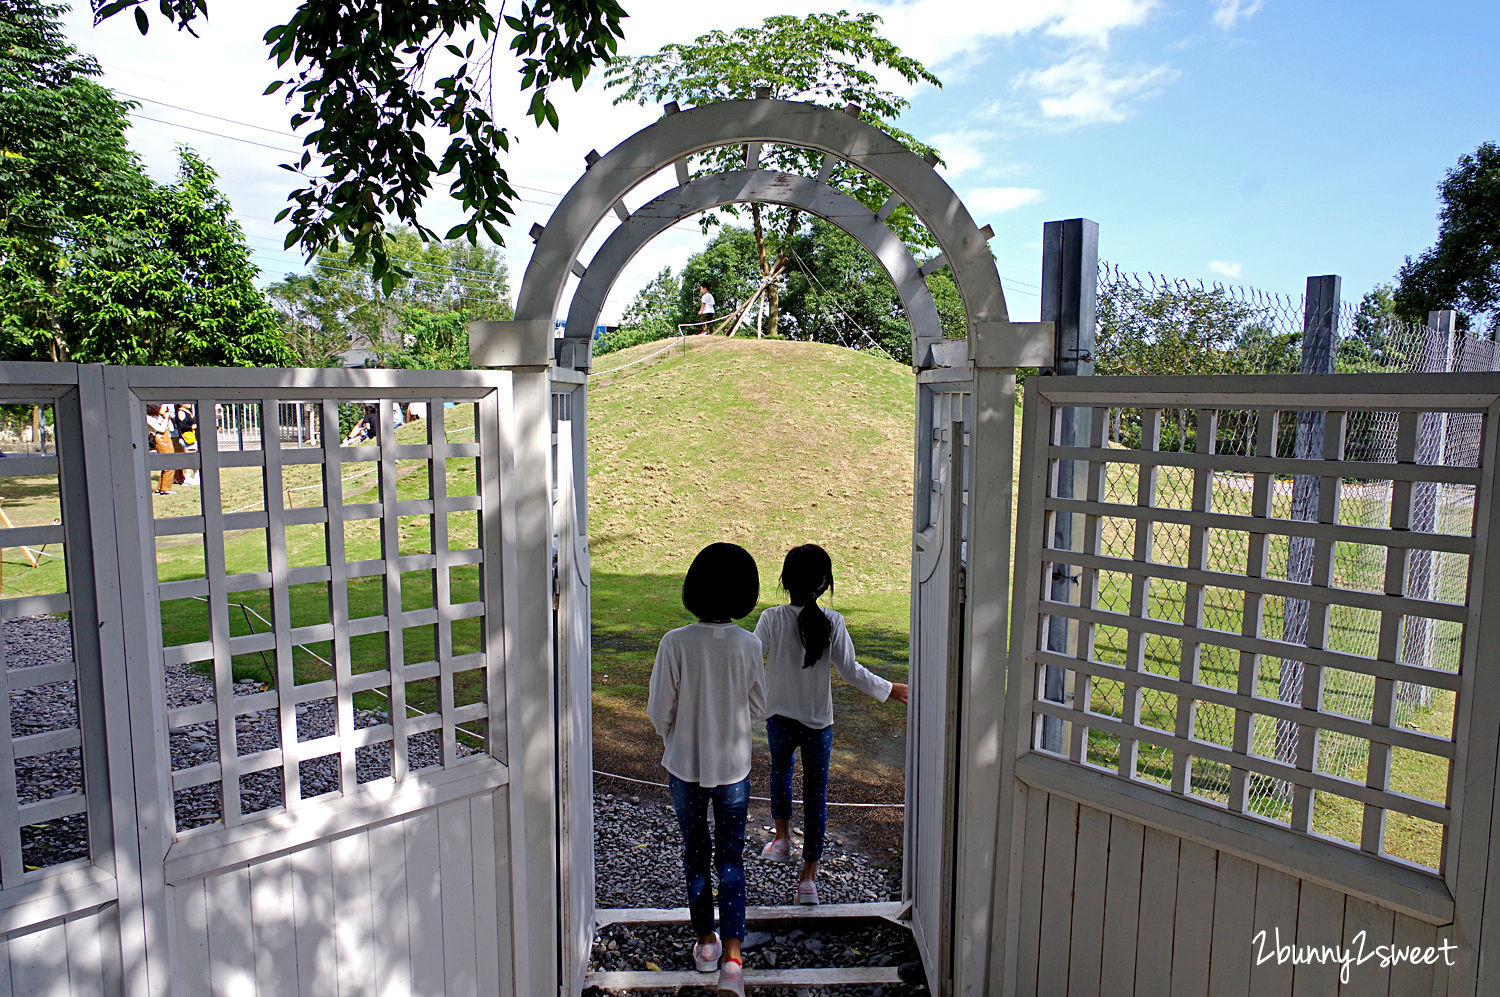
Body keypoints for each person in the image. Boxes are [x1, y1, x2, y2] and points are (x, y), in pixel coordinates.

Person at [754, 543, 909, 905]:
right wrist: (889, 689)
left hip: (777, 716)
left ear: (785, 580)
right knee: (816, 796)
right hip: (817, 724)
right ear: (824, 583)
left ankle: (781, 840)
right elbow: (851, 671)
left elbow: (748, 661)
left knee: (780, 773)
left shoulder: (771, 619)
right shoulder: (831, 622)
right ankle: (808, 878)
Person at [647, 542, 764, 997]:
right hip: (733, 767)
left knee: (695, 853)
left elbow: (660, 711)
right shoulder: (749, 644)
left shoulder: (674, 643)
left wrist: (677, 735)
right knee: (731, 857)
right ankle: (734, 961)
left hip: (685, 765)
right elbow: (759, 705)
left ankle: (705, 942)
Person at [145, 404, 175, 495]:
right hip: (160, 439)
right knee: (169, 463)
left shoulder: (159, 417)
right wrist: (165, 418)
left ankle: (161, 487)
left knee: (168, 463)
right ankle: (165, 488)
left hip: (166, 438)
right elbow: (161, 429)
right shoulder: (148, 418)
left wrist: (167, 417)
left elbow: (171, 428)